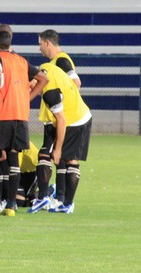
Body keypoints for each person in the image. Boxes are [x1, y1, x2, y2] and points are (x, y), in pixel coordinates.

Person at [0, 30, 47, 216]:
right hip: (20, 116)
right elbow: (43, 79)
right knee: (13, 157)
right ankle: (11, 204)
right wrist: (27, 98)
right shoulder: (22, 61)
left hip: (1, 114)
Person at [27, 62, 92, 214]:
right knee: (44, 153)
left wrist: (57, 149)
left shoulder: (50, 92)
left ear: (35, 78)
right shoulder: (45, 67)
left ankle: (66, 203)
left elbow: (62, 121)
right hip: (62, 118)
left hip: (76, 120)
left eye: (29, 85)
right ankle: (46, 198)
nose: (30, 89)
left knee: (70, 159)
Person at [38, 29, 82, 206]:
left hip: (59, 119)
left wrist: (61, 103)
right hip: (55, 118)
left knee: (46, 155)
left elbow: (76, 83)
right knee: (60, 158)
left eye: (40, 44)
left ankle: (44, 197)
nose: (39, 48)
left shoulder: (61, 61)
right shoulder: (56, 61)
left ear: (47, 43)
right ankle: (60, 198)